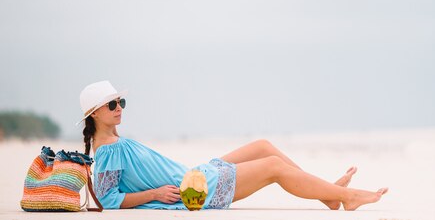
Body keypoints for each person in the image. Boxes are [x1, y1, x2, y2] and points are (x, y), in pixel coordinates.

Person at [78, 81, 388, 211]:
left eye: (120, 102)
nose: (119, 107)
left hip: (193, 175)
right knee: (274, 168)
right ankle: (346, 197)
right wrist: (156, 195)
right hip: (193, 191)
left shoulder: (112, 143)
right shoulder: (106, 151)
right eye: (111, 105)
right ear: (94, 114)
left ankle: (327, 195)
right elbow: (108, 199)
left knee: (263, 145)